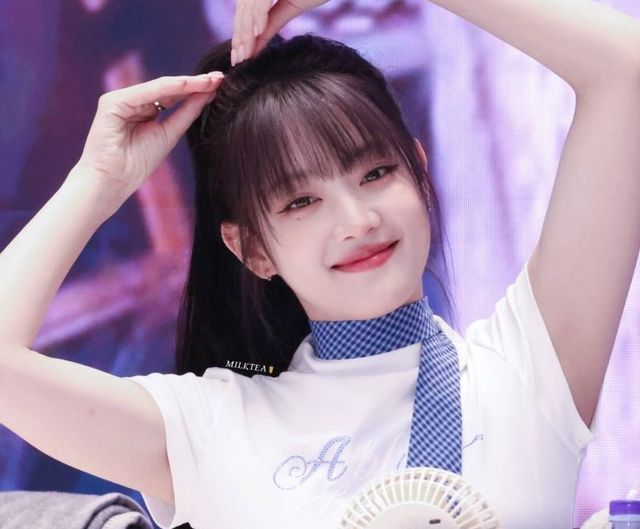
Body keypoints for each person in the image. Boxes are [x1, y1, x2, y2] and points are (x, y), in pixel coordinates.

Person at [0, 2, 639, 529]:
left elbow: (627, 69)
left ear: (420, 171)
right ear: (251, 248)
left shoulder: (528, 370)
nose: (356, 220)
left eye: (376, 173)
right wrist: (100, 181)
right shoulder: (211, 427)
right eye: (301, 201)